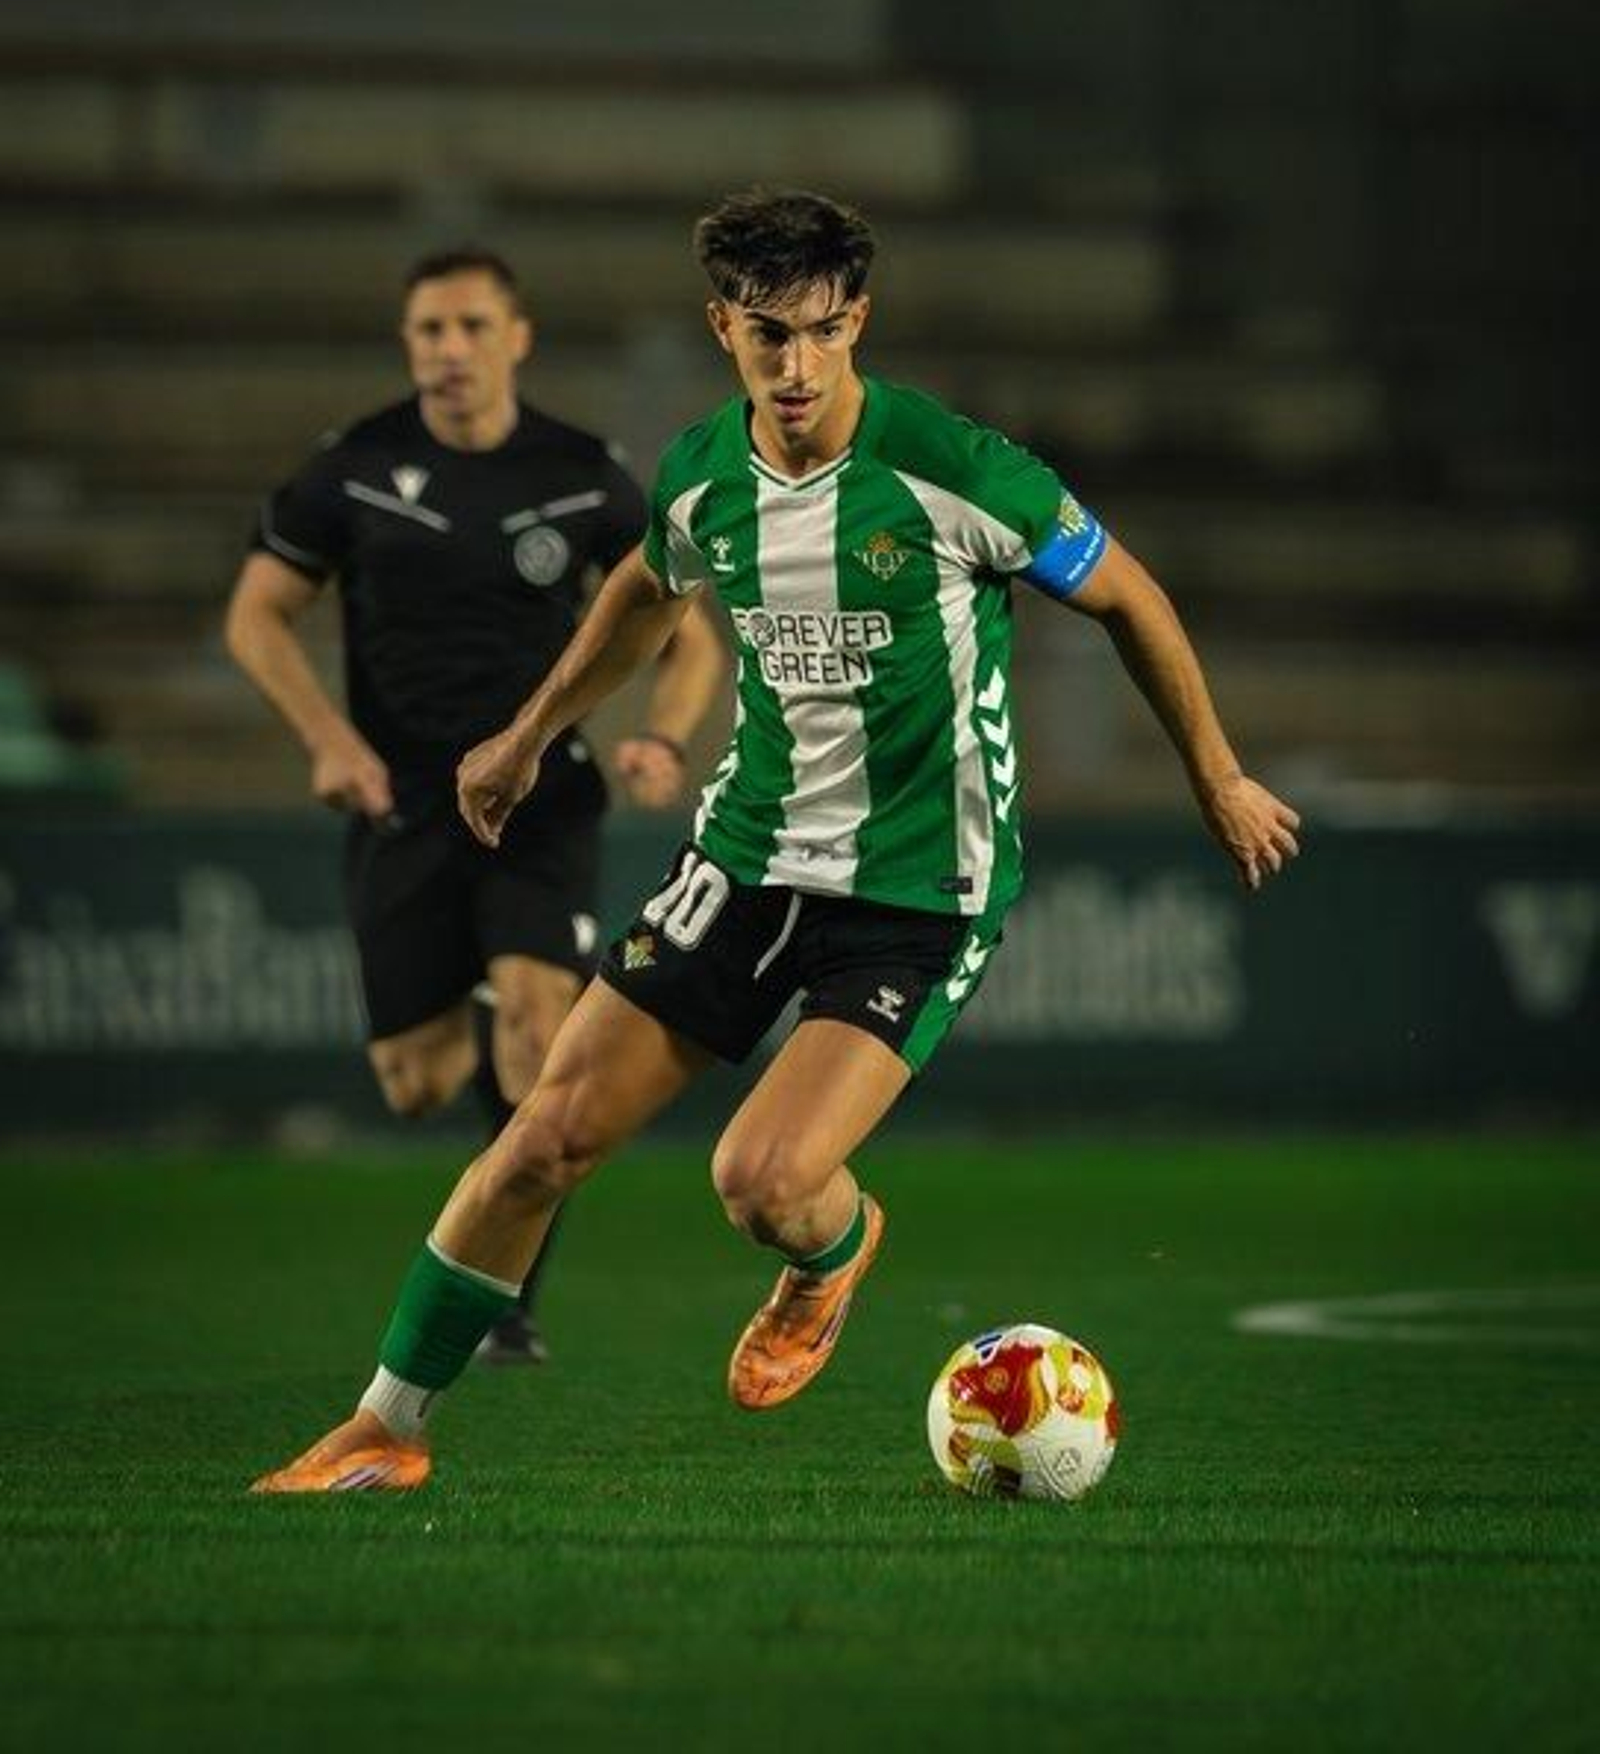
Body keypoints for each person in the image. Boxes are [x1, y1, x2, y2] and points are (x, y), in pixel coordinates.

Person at [253, 189, 1300, 1491]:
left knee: (759, 1182)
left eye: (818, 333)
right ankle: (387, 1426)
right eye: (765, 336)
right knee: (543, 1137)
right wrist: (529, 735)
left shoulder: (955, 470)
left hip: (921, 892)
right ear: (723, 327)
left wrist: (1219, 776)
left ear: (856, 319)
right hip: (744, 862)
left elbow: (1129, 596)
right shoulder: (700, 471)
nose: (794, 368)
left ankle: (835, 1244)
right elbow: (644, 586)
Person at [225, 247, 725, 1362]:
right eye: (427, 332)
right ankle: (501, 1010)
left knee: (542, 1038)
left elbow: (690, 629)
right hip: (400, 799)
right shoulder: (353, 467)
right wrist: (328, 739)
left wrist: (657, 733)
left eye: (468, 327)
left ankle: (506, 1307)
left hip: (539, 795)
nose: (448, 350)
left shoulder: (585, 474)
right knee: (420, 1080)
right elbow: (256, 616)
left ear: (517, 335)